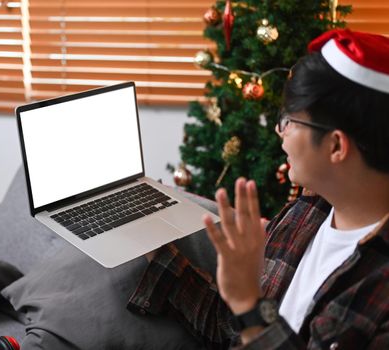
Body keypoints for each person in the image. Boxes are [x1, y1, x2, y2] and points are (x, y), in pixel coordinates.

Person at [126, 29, 389, 349]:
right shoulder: (307, 212)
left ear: (336, 145)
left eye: (292, 121)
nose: (281, 131)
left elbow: (250, 316)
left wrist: (250, 305)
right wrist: (156, 249)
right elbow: (232, 331)